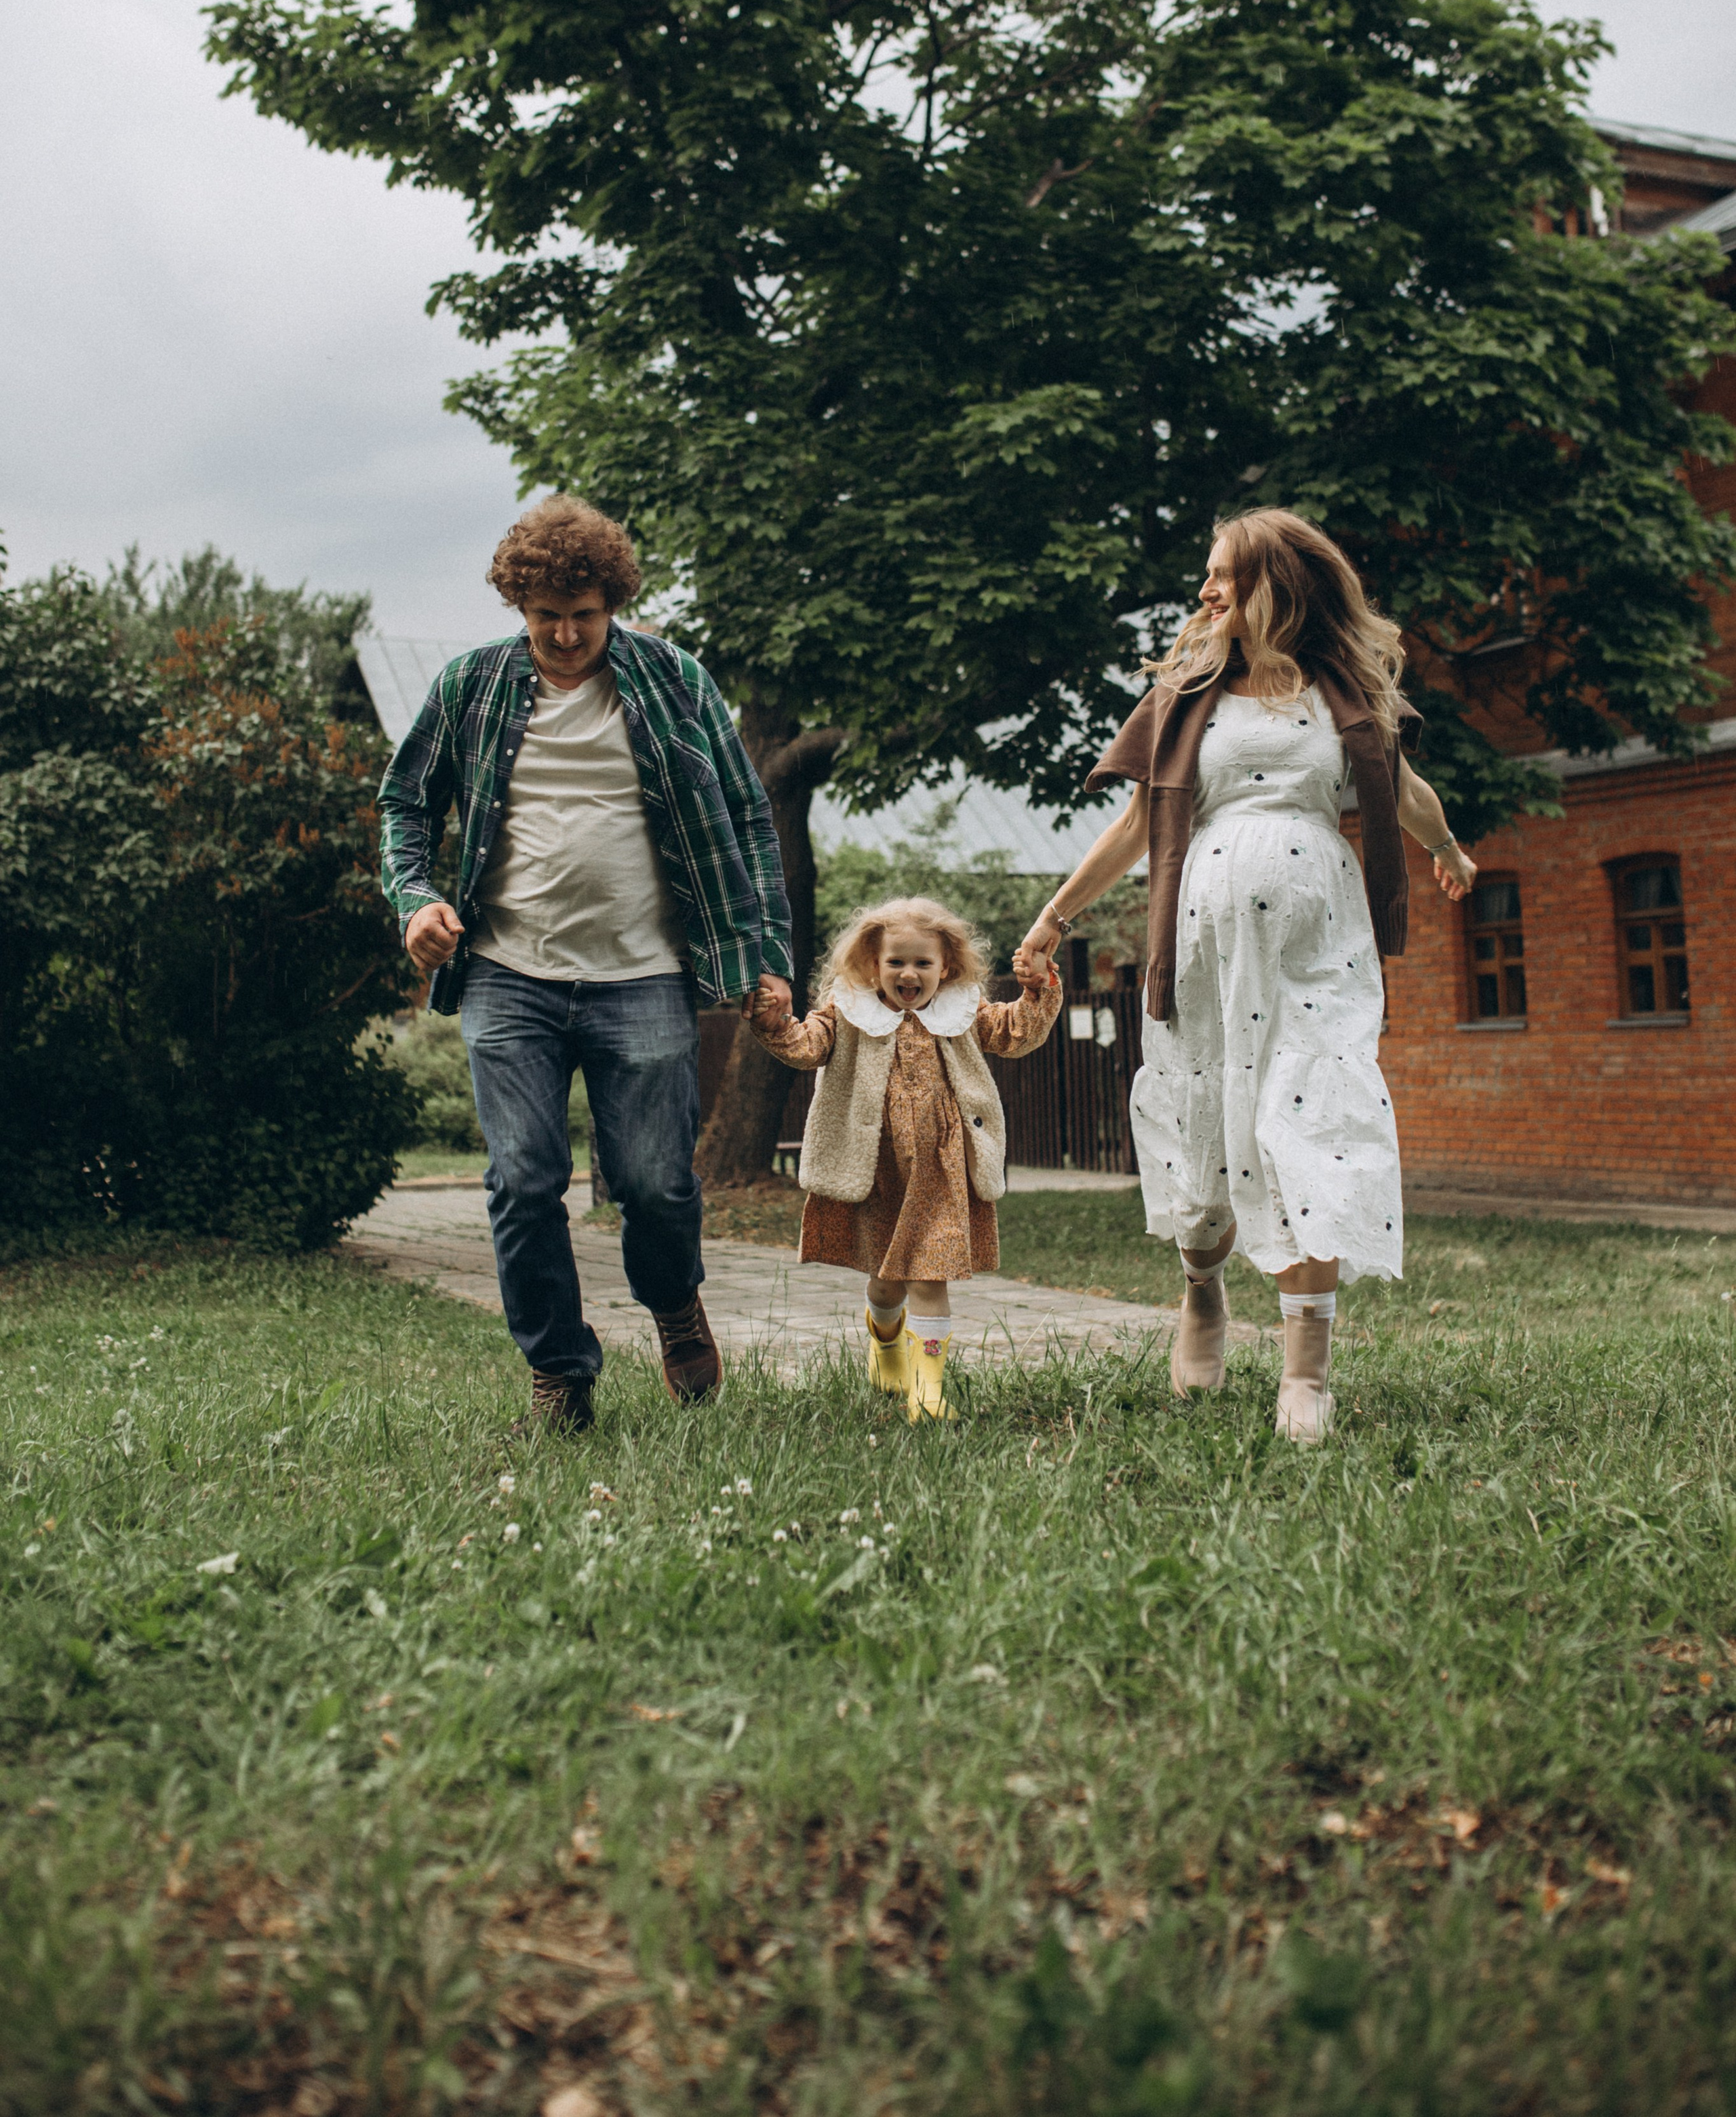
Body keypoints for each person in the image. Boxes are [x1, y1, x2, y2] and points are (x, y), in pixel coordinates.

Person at [1014, 509, 1475, 1442]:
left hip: (1318, 946)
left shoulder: (1344, 694)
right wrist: (1055, 915)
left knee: (1316, 1126)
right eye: (1207, 573)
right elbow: (1136, 827)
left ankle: (1306, 1370)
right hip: (1205, 951)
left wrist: (1449, 849)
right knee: (1207, 1130)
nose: (1206, 590)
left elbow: (1401, 788)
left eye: (1224, 572)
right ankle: (1202, 1290)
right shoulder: (1188, 696)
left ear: (1280, 582)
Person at [378, 496, 793, 1433]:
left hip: (642, 974)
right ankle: (560, 1373)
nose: (566, 636)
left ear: (613, 603)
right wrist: (416, 900)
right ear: (517, 607)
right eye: (546, 617)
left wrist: (766, 953)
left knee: (654, 1184)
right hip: (506, 972)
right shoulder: (470, 686)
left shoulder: (674, 680)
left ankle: (674, 1304)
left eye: (585, 615)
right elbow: (405, 802)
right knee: (523, 1181)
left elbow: (747, 813)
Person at [749, 898, 1061, 1421]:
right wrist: (773, 1021)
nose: (909, 973)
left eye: (923, 962)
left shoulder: (962, 1008)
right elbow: (807, 1046)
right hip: (877, 1167)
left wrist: (1039, 989)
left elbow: (1014, 1031)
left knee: (929, 1275)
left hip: (943, 1167)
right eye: (896, 961)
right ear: (874, 964)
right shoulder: (849, 1009)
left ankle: (928, 1388)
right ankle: (887, 1343)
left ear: (947, 966)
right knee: (887, 1277)